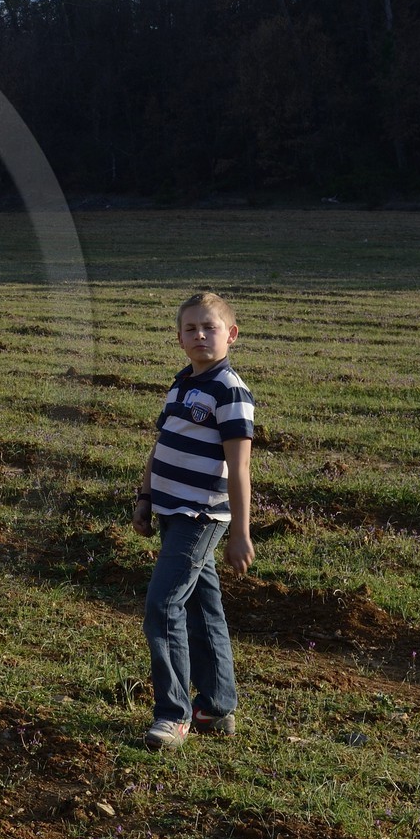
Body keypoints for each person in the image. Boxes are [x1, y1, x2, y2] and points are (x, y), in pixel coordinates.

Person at [132, 292, 255, 751]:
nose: (200, 335)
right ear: (179, 337)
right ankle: (217, 706)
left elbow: (239, 468)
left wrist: (240, 532)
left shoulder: (230, 390)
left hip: (200, 517)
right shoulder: (182, 383)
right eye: (191, 329)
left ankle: (173, 715)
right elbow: (161, 444)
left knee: (162, 607)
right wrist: (145, 497)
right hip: (170, 511)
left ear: (231, 334)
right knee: (203, 607)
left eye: (210, 327)